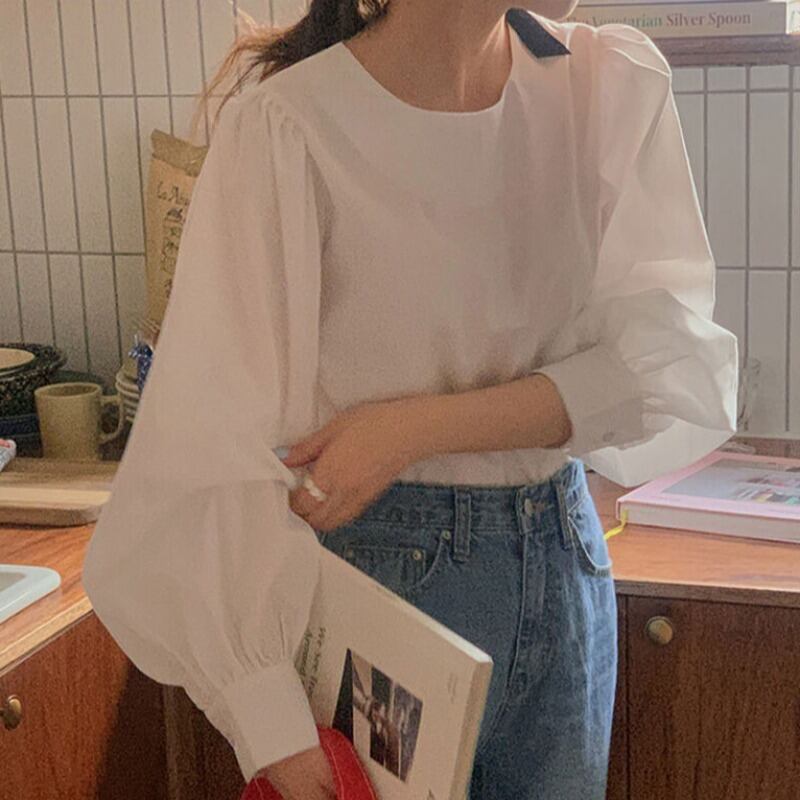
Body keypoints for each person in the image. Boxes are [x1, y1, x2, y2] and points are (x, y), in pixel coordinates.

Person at [81, 2, 740, 799]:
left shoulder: (605, 87)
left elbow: (660, 366)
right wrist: (267, 719)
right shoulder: (290, 126)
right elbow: (204, 451)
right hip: (378, 596)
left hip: (564, 571)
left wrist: (411, 430)